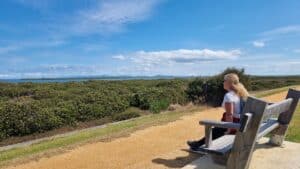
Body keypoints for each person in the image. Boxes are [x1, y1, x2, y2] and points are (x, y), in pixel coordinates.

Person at [187, 73, 249, 151]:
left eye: (224, 81)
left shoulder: (229, 96)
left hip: (235, 125)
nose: (223, 82)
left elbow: (230, 114)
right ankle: (197, 143)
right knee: (217, 129)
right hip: (241, 122)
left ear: (229, 82)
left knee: (215, 129)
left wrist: (229, 130)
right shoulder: (240, 93)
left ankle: (198, 144)